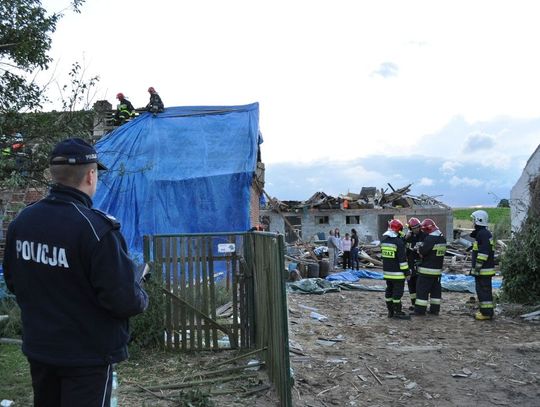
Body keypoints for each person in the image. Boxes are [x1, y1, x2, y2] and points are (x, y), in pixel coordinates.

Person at [2, 138, 148, 406]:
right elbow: (124, 300)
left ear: (53, 175)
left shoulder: (22, 221)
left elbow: (13, 281)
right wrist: (139, 290)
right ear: (91, 176)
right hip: (86, 358)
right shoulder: (97, 230)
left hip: (41, 350)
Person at [414, 218, 446, 316]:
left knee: (422, 291)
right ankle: (435, 309)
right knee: (435, 291)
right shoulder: (442, 239)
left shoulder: (430, 239)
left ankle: (420, 310)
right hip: (437, 271)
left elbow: (423, 252)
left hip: (426, 271)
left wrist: (419, 249)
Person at [381, 219, 410, 319]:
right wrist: (407, 272)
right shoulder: (398, 242)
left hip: (387, 273)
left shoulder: (384, 240)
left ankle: (390, 312)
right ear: (398, 230)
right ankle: (398, 312)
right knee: (397, 294)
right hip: (397, 274)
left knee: (389, 291)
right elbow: (402, 261)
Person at [470, 210, 496, 320]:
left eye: (473, 220)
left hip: (483, 270)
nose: (472, 222)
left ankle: (486, 313)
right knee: (484, 292)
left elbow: (483, 254)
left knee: (484, 292)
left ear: (478, 220)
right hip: (485, 270)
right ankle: (486, 312)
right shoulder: (483, 233)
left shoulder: (483, 234)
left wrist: (477, 268)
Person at [404, 217, 426, 310]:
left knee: (419, 284)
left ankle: (419, 304)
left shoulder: (424, 236)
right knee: (411, 284)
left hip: (421, 264)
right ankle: (413, 303)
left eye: (417, 227)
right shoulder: (408, 238)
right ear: (410, 228)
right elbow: (402, 247)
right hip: (411, 264)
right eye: (413, 228)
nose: (416, 229)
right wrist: (404, 238)